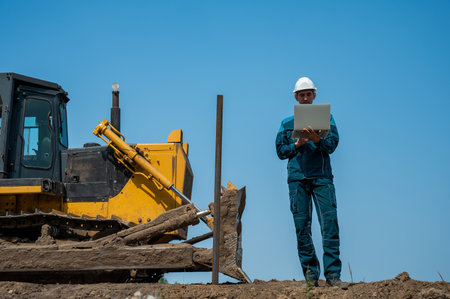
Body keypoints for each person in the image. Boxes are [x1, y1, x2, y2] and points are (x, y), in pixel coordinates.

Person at [276, 77, 347, 288]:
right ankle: (310, 277)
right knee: (302, 228)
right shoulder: (286, 124)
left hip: (322, 177)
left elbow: (332, 145)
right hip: (297, 179)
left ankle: (333, 276)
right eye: (301, 95)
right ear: (296, 98)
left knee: (330, 225)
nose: (305, 98)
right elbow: (280, 151)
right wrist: (297, 144)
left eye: (308, 94)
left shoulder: (328, 119)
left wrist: (317, 140)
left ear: (314, 95)